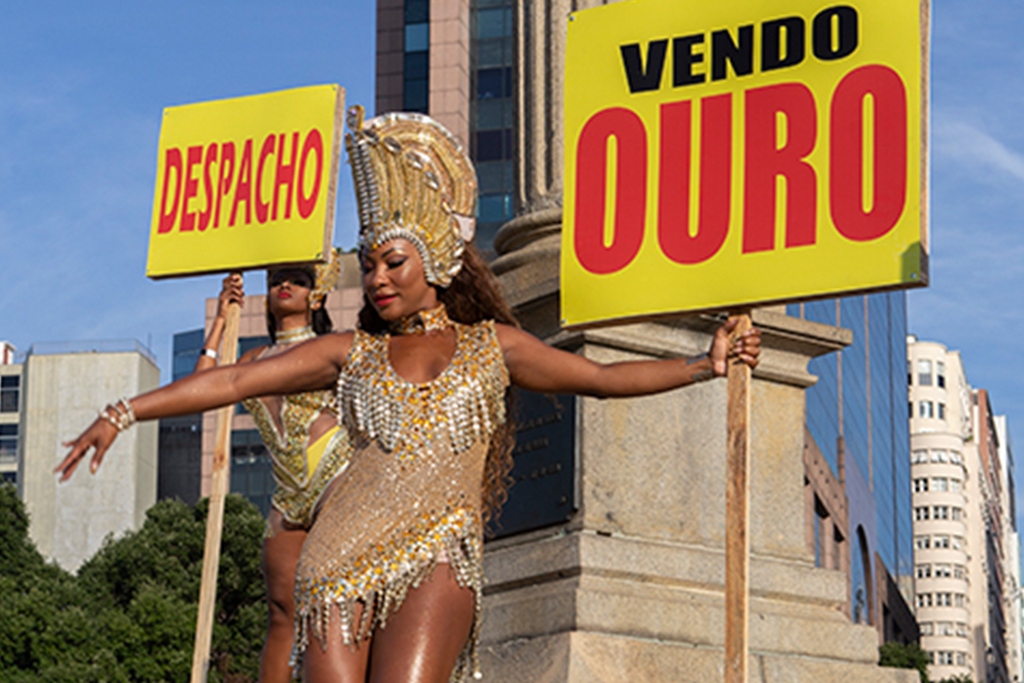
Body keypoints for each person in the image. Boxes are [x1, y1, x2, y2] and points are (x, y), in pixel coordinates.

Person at [57, 105, 761, 683]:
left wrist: (706, 363)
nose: (380, 278)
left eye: (393, 261)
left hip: (437, 552)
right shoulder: (351, 352)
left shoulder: (494, 346)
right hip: (334, 559)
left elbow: (604, 380)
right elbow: (236, 380)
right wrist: (124, 411)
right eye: (369, 266)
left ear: (437, 259)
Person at [194, 253, 348, 683]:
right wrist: (222, 319)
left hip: (335, 481)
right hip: (286, 498)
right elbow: (199, 388)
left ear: (316, 297)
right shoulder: (253, 360)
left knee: (338, 605)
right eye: (278, 278)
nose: (286, 285)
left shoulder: (333, 349)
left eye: (298, 280)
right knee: (282, 614)